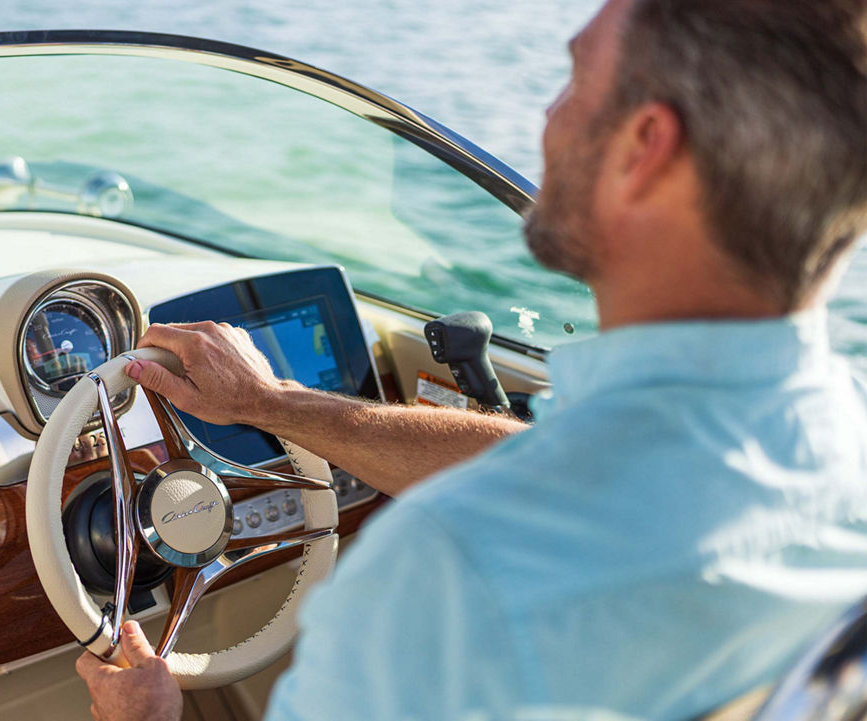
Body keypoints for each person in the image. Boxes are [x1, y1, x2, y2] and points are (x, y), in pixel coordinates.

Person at [76, 0, 867, 718]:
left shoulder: (449, 574)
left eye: (574, 81)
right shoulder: (845, 442)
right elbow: (554, 468)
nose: (548, 118)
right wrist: (275, 404)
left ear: (644, 148)